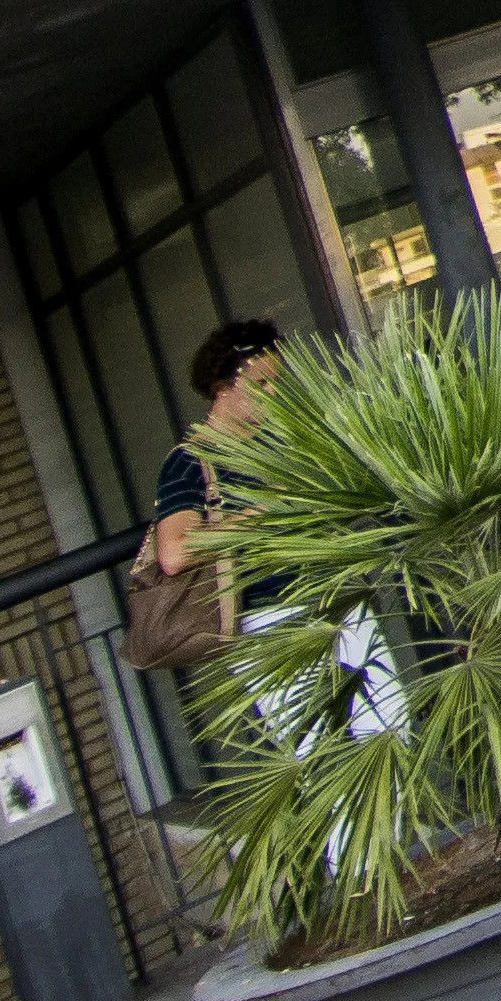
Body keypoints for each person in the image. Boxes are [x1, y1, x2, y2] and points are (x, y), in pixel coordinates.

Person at [145, 318, 402, 744]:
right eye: (263, 385)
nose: (275, 395)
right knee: (315, 748)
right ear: (223, 386)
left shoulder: (284, 440)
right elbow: (174, 553)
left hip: (334, 597)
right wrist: (266, 509)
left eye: (278, 382)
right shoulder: (190, 462)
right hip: (267, 618)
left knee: (390, 726)